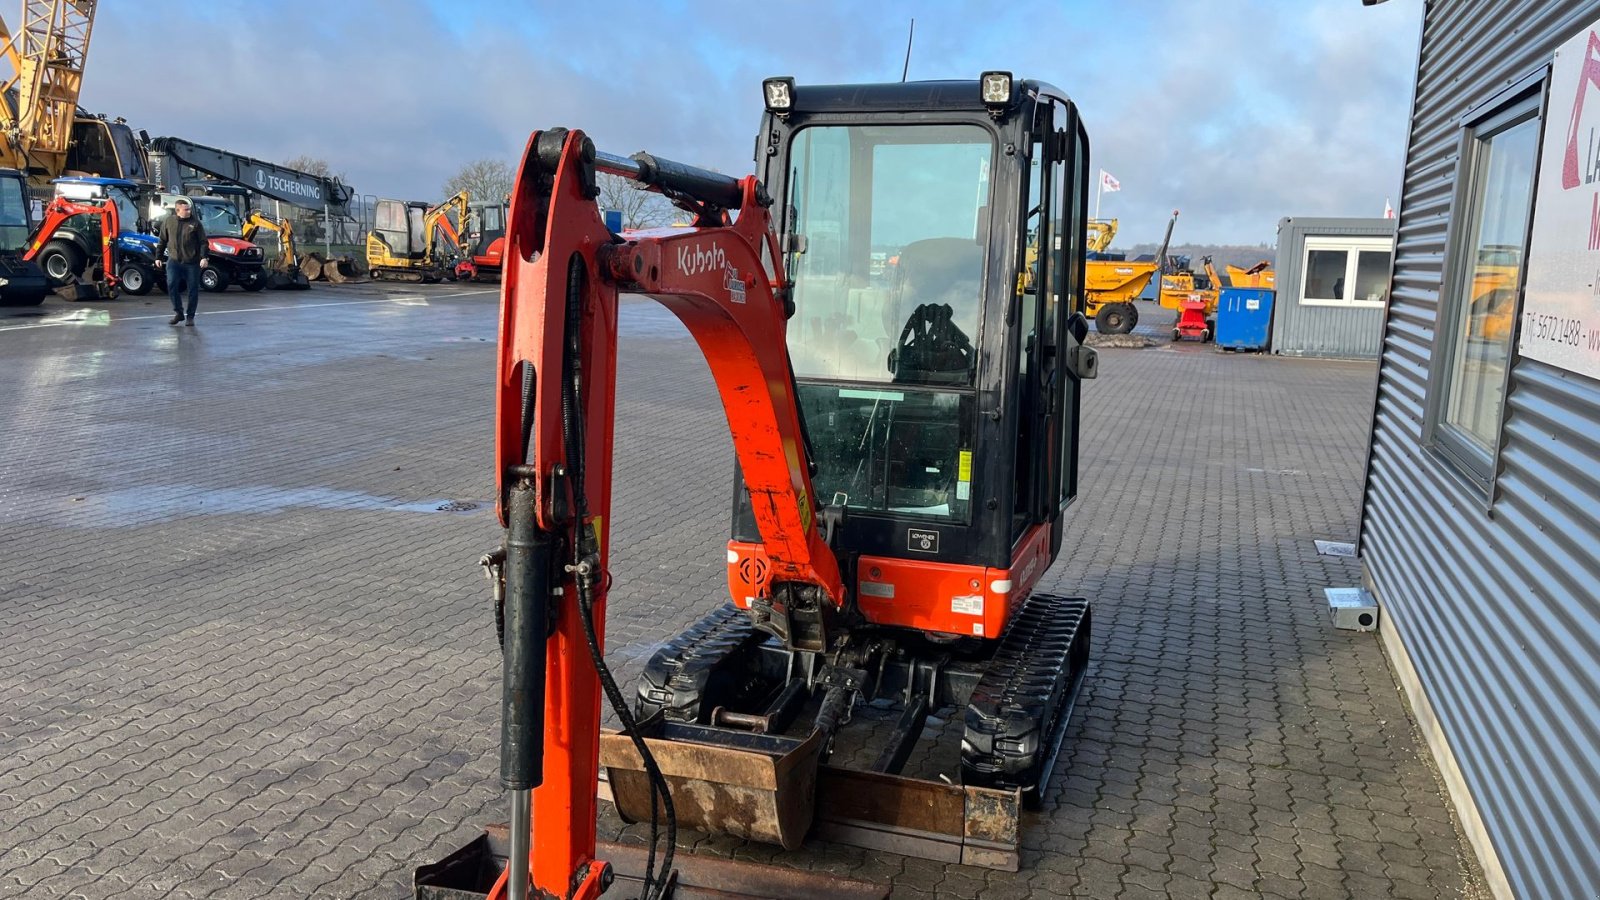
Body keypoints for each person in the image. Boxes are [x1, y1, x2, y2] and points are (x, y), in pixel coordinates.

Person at [154, 198, 209, 325]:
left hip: (192, 262)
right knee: (171, 285)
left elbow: (203, 242)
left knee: (193, 289)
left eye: (189, 209)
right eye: (186, 209)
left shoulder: (195, 224)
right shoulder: (169, 222)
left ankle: (190, 317)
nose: (189, 211)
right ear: (178, 210)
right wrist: (158, 257)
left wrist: (204, 257)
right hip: (174, 261)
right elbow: (162, 240)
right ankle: (178, 313)